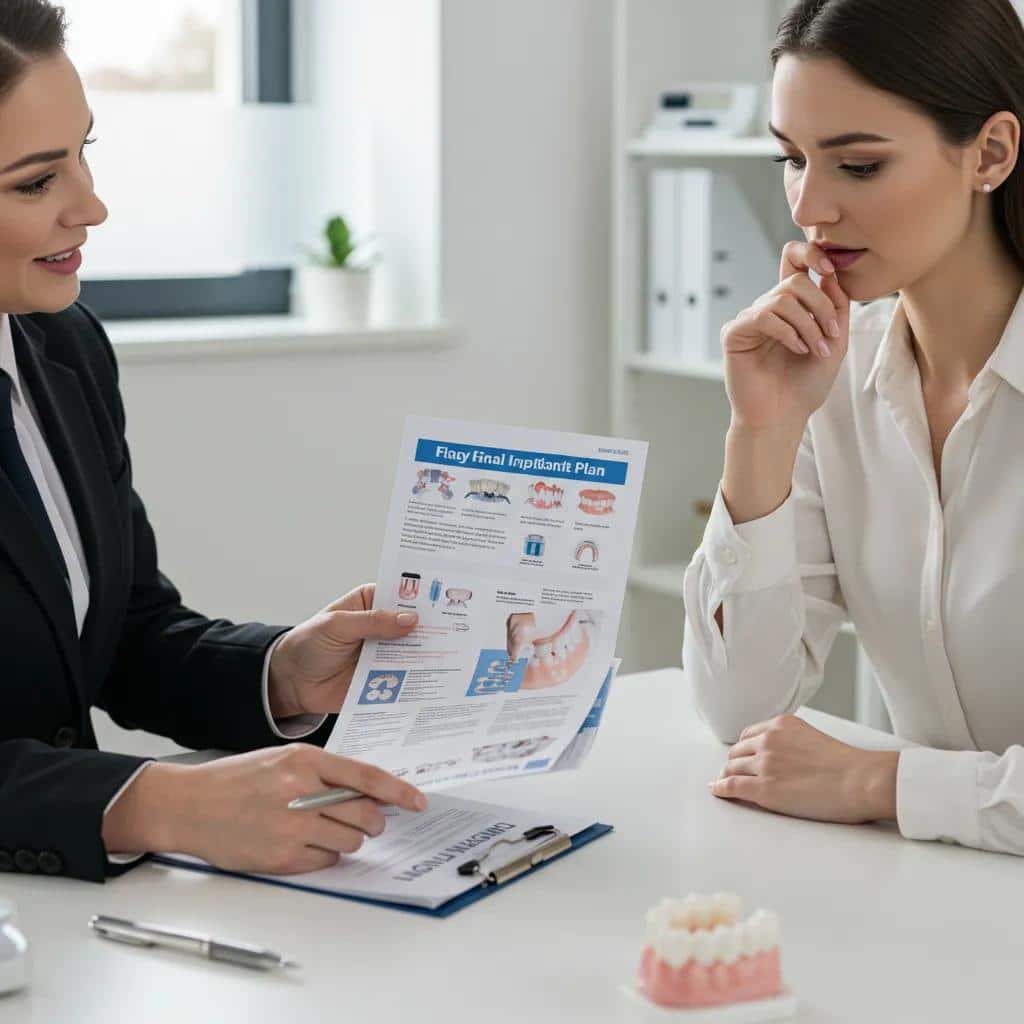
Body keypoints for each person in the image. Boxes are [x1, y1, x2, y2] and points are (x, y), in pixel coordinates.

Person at [0, 0, 427, 885]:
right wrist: (160, 803)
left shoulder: (62, 347)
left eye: (86, 152)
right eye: (36, 182)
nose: (93, 206)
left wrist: (281, 676)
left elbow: (122, 634)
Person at [682, 0, 1024, 856]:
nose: (810, 210)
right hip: (936, 895)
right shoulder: (831, 377)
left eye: (859, 167)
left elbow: (857, 775)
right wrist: (762, 432)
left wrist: (881, 781)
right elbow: (744, 715)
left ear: (990, 153)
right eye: (791, 160)